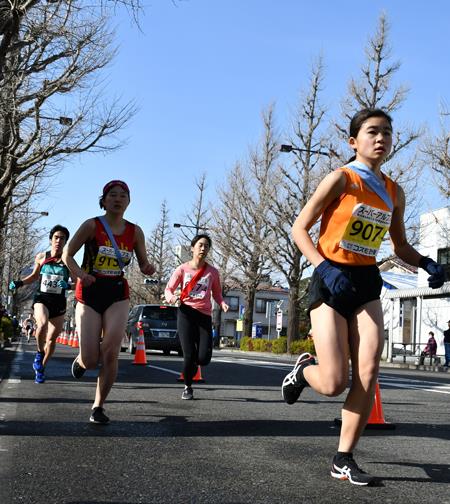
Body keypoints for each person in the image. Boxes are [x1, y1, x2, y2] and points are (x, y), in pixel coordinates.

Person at [281, 108, 446, 486]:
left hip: (367, 281)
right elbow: (299, 229)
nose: (381, 138)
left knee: (369, 371)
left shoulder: (394, 191)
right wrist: (323, 267)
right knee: (333, 381)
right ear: (354, 141)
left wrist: (426, 263)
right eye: (372, 131)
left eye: (387, 132)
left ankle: (343, 457)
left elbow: (400, 245)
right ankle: (304, 370)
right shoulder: (341, 178)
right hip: (330, 280)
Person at [62, 180, 155, 424]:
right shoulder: (92, 225)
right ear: (103, 200)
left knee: (112, 351)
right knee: (92, 359)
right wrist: (81, 275)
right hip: (90, 291)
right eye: (112, 195)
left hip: (116, 291)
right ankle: (82, 361)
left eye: (123, 195)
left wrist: (147, 268)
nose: (117, 199)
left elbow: (143, 262)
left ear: (129, 201)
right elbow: (67, 254)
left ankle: (98, 406)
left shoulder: (135, 232)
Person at [165, 234, 229, 400]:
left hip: (204, 316)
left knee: (203, 358)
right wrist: (173, 298)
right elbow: (168, 290)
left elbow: (217, 294)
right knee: (188, 355)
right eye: (200, 245)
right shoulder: (181, 269)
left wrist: (222, 303)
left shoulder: (212, 272)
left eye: (206, 246)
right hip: (186, 313)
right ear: (192, 248)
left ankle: (193, 365)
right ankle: (187, 386)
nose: (203, 248)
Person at [10, 225, 71, 383]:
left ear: (65, 241)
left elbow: (78, 283)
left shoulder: (68, 260)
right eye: (56, 237)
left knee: (51, 339)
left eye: (62, 238)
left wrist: (68, 285)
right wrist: (19, 283)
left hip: (59, 302)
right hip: (42, 298)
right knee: (42, 324)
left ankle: (41, 367)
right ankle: (38, 353)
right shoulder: (41, 257)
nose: (58, 241)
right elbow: (34, 276)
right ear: (51, 239)